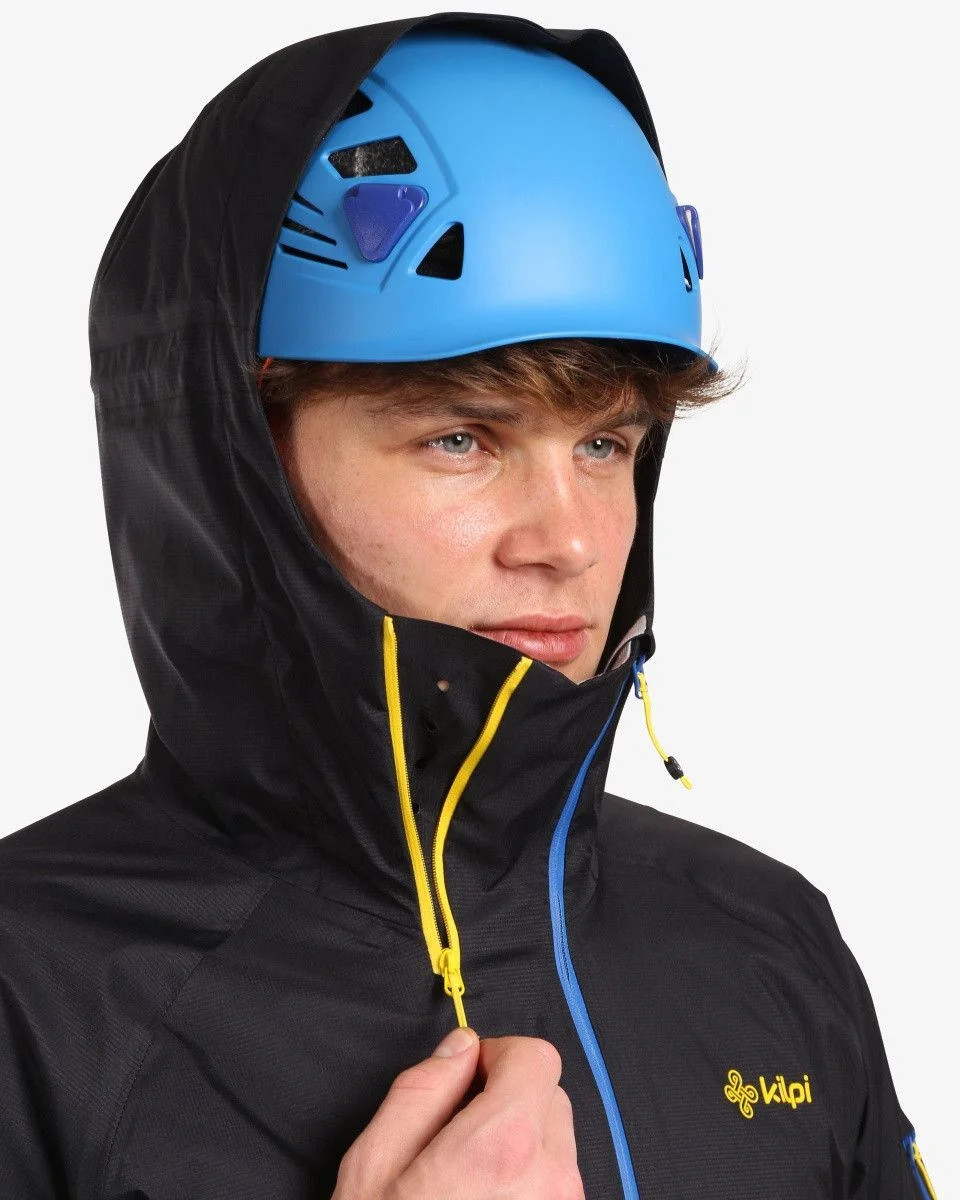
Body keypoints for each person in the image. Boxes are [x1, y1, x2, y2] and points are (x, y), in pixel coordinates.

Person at [0, 12, 939, 1200]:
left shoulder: (767, 940)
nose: (572, 543)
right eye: (462, 439)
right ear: (234, 465)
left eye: (604, 445)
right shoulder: (34, 996)